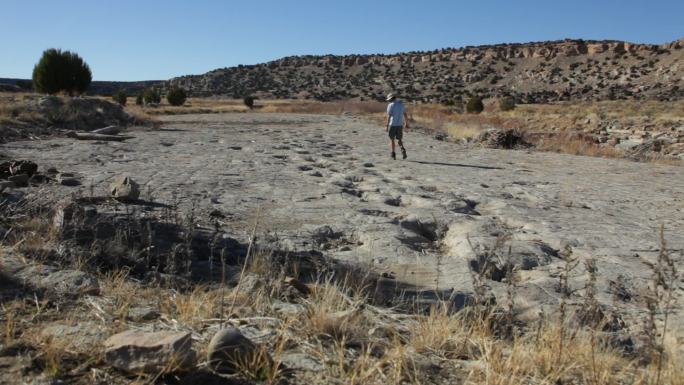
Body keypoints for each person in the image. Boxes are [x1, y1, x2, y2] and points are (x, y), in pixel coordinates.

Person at [385, 93, 409, 160]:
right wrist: (406, 123)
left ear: (391, 99)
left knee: (392, 139)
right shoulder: (401, 104)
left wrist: (387, 126)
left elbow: (389, 116)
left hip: (393, 124)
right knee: (399, 139)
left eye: (389, 99)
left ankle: (393, 154)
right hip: (400, 124)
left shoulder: (390, 105)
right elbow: (405, 114)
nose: (388, 101)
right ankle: (402, 149)